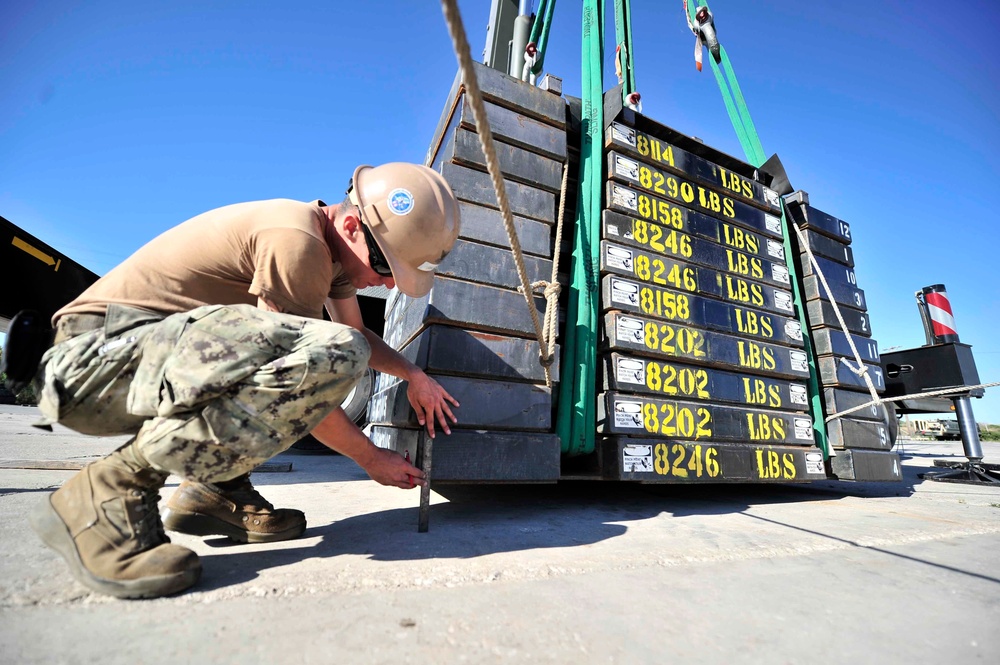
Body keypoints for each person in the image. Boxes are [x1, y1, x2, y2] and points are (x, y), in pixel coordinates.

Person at [29, 162, 461, 599]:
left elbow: (360, 334)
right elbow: (316, 372)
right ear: (351, 224)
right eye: (386, 267)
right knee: (336, 352)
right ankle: (107, 491)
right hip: (91, 361)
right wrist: (370, 457)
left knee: (341, 344)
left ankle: (217, 489)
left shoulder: (331, 256)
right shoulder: (297, 242)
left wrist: (412, 373)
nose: (386, 284)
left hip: (133, 357)